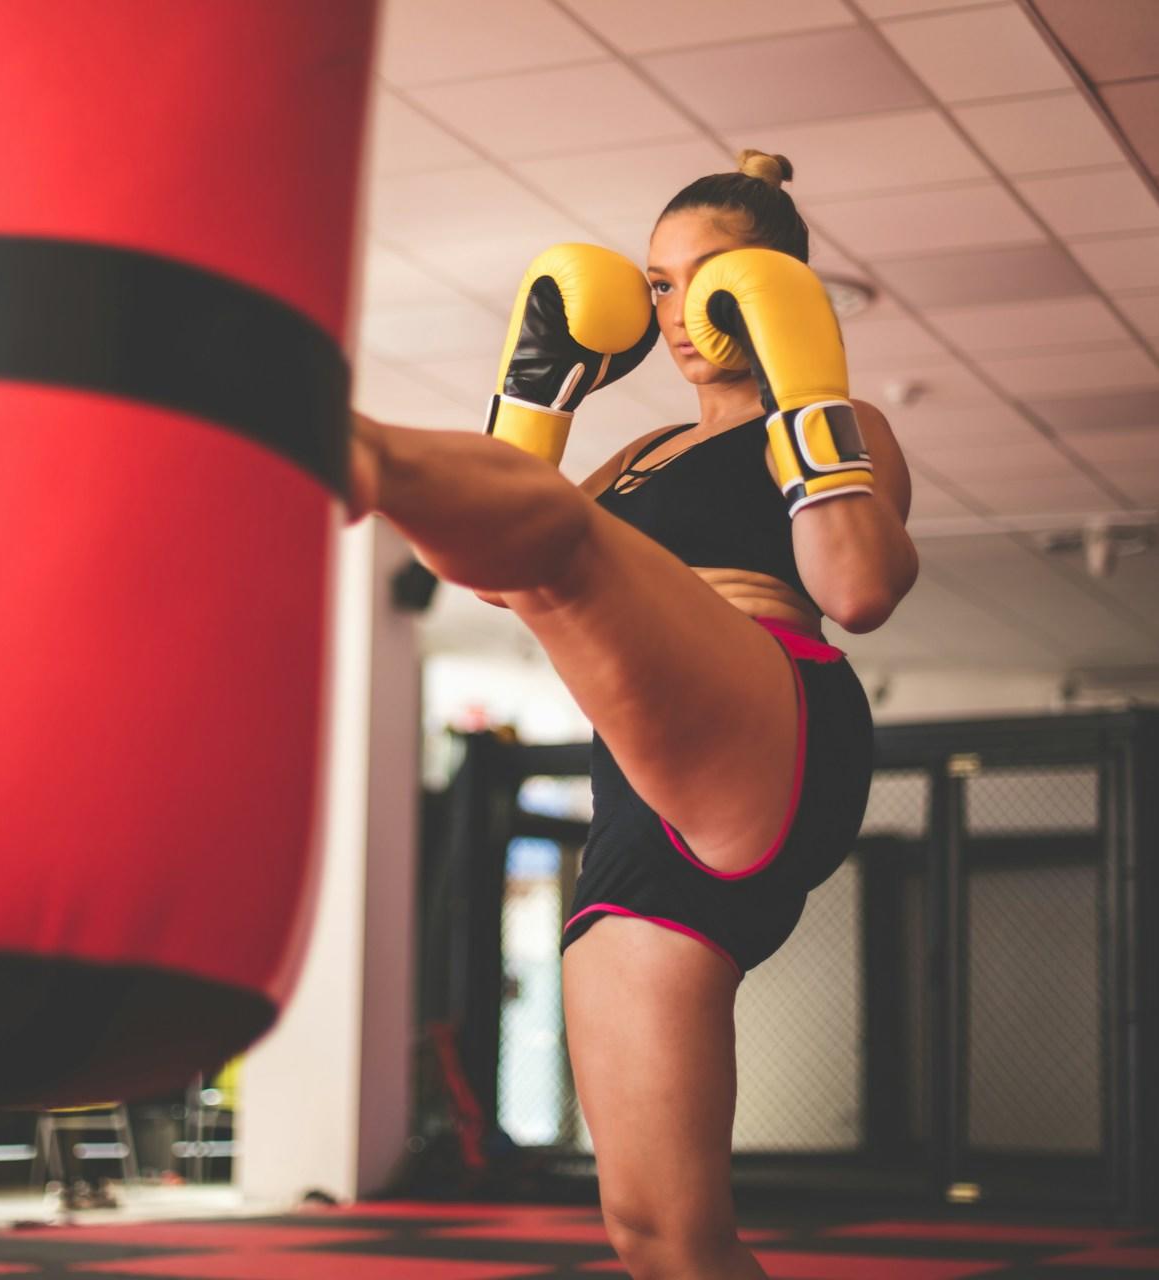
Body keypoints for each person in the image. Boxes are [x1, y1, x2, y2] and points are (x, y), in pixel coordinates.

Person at [349, 149, 917, 1279]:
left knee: (563, 537)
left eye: (711, 279)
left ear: (775, 286)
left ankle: (341, 442)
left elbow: (858, 590)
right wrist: (537, 398)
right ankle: (360, 452)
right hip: (637, 794)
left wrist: (804, 388)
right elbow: (499, 578)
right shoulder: (642, 454)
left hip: (772, 717)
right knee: (659, 1234)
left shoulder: (834, 418)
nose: (679, 312)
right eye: (658, 284)